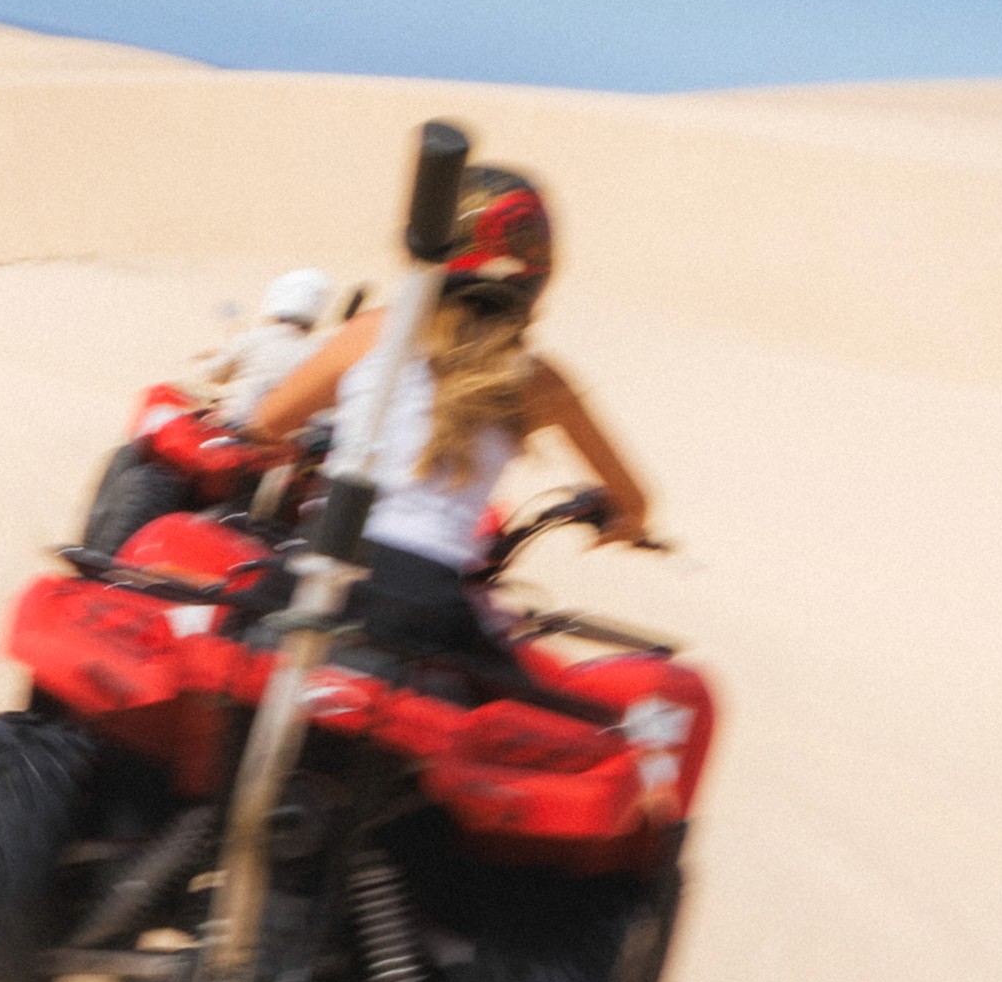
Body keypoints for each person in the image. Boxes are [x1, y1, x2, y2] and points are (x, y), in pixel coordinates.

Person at [241, 166, 659, 702]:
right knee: (566, 720)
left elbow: (266, 423)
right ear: (538, 270)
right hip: (428, 601)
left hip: (314, 566)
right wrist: (623, 522)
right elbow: (636, 500)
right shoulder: (539, 381)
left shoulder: (372, 331)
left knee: (226, 651)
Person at [188, 267, 334, 428]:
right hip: (295, 430)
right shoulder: (320, 349)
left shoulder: (251, 338)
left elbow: (210, 373)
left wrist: (212, 358)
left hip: (240, 423)